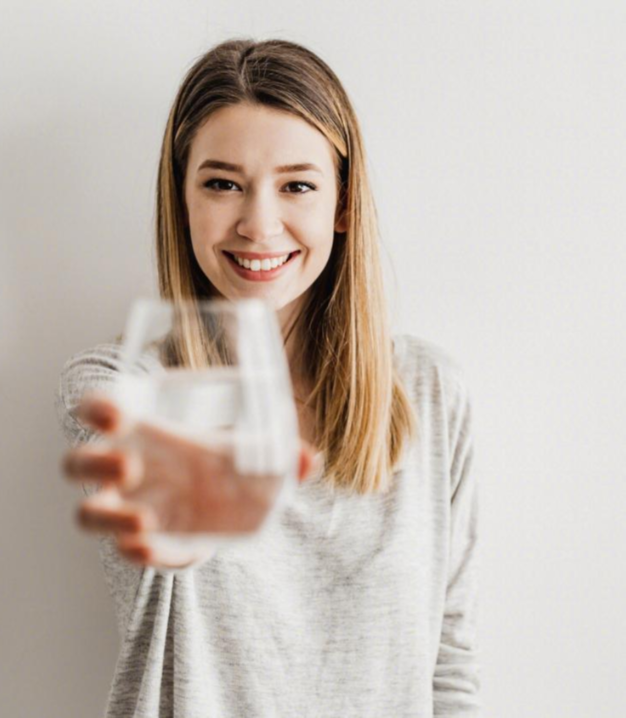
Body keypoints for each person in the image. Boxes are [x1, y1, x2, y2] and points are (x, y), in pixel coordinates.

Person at [56, 37, 480, 717]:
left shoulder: (429, 393)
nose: (258, 224)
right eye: (222, 183)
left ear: (342, 205)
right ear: (183, 199)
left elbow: (448, 659)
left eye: (297, 186)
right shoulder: (121, 387)